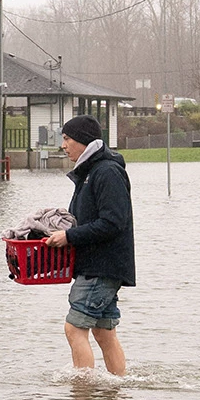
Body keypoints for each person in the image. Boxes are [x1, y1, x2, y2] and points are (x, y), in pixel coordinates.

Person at [44, 115, 135, 376]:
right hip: (102, 265)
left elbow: (113, 222)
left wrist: (69, 237)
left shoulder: (106, 172)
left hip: (101, 267)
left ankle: (83, 392)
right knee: (104, 332)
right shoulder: (91, 171)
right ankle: (117, 387)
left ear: (83, 140)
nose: (63, 145)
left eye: (67, 139)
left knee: (74, 328)